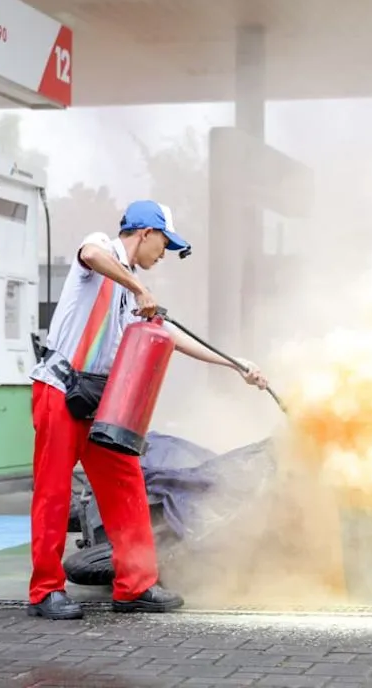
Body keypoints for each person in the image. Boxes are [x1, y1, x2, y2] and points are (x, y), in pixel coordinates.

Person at [26, 200, 269, 620]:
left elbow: (169, 336)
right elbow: (90, 254)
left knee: (127, 485)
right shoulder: (102, 251)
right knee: (53, 491)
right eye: (163, 244)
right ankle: (45, 591)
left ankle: (134, 586)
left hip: (100, 401)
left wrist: (235, 365)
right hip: (60, 389)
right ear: (145, 233)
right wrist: (137, 287)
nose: (164, 254)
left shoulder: (133, 291)